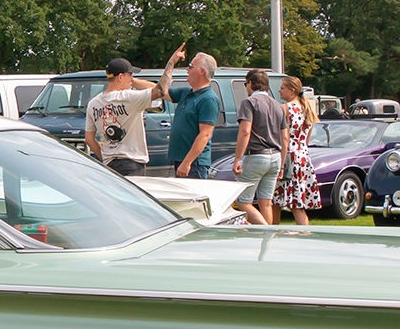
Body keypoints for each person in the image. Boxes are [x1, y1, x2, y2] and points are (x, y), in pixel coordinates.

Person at [84, 47, 182, 176]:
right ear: (120, 77)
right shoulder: (129, 97)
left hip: (109, 164)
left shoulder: (93, 103)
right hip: (132, 163)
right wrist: (171, 62)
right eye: (130, 75)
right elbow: (160, 90)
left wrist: (104, 158)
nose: (132, 79)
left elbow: (89, 139)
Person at [231, 69, 288, 225]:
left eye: (245, 84)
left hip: (256, 155)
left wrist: (237, 159)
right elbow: (285, 138)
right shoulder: (278, 106)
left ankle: (265, 231)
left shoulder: (248, 103)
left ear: (250, 83)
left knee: (243, 202)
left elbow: (245, 131)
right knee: (266, 202)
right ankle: (267, 242)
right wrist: (282, 165)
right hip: (276, 156)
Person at [275, 77, 321, 225]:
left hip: (289, 154)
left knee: (280, 199)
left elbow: (283, 136)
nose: (279, 90)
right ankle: (304, 230)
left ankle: (274, 230)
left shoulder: (286, 108)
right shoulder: (306, 109)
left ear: (292, 90)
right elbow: (306, 139)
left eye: (282, 88)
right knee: (296, 200)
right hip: (302, 155)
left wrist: (281, 164)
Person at [168, 49, 220, 178]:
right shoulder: (186, 93)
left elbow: (205, 134)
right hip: (181, 160)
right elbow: (159, 91)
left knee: (193, 198)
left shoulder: (208, 99)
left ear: (202, 71)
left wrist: (187, 162)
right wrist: (132, 81)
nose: (187, 69)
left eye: (191, 66)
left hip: (194, 164)